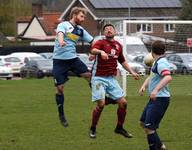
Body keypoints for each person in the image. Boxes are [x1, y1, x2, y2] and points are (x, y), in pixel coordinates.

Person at [89, 24, 140, 138]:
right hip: (98, 78)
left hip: (111, 79)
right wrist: (100, 52)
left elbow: (122, 61)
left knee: (123, 103)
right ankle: (93, 127)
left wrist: (132, 72)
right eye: (106, 29)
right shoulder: (101, 42)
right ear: (104, 33)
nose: (108, 30)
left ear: (115, 32)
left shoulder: (118, 46)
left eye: (111, 28)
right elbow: (93, 50)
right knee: (101, 104)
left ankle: (119, 128)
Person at [52, 7, 93, 127]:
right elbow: (60, 34)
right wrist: (61, 41)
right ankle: (61, 115)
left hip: (73, 60)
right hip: (59, 61)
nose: (83, 19)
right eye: (81, 16)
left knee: (89, 75)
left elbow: (93, 41)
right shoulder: (64, 25)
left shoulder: (80, 30)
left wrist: (93, 52)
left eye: (84, 17)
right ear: (74, 15)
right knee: (60, 88)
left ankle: (100, 98)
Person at [139, 41, 172, 150]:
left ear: (152, 51)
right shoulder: (156, 62)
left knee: (149, 128)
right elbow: (152, 76)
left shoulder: (161, 63)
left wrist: (156, 90)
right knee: (143, 122)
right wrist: (144, 86)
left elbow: (168, 77)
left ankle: (155, 147)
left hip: (160, 99)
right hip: (155, 99)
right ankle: (160, 145)